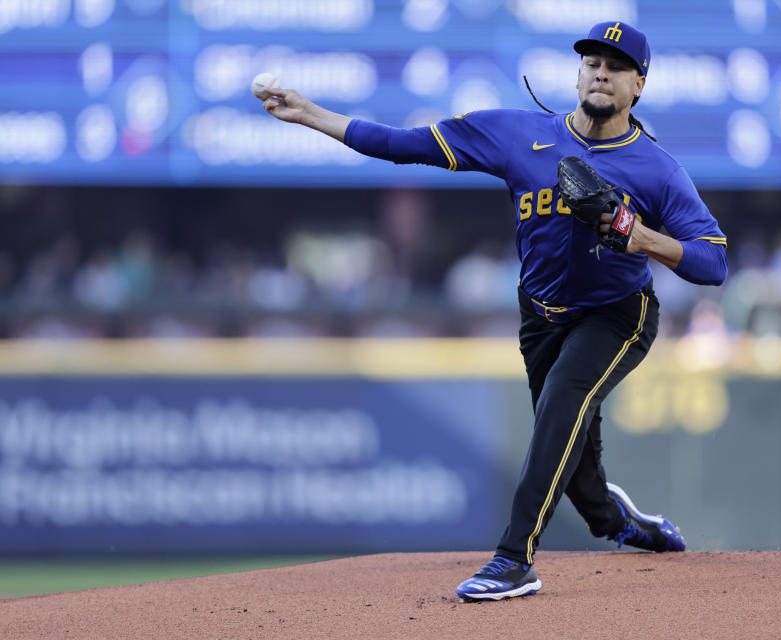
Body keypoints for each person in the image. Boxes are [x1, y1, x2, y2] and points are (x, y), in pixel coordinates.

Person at [261, 20, 727, 601]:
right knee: (582, 482)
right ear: (579, 73)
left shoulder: (656, 168)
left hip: (616, 314)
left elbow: (714, 262)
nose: (601, 71)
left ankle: (513, 559)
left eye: (617, 65)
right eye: (591, 61)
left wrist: (640, 235)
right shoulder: (517, 134)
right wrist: (310, 113)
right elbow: (401, 145)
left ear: (639, 86)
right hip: (541, 317)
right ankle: (626, 524)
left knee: (562, 405)